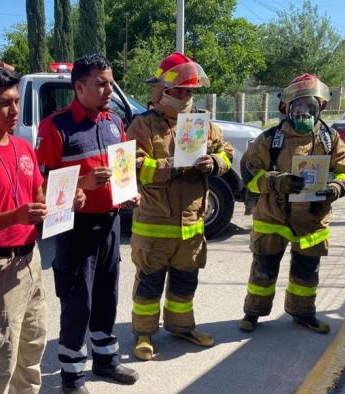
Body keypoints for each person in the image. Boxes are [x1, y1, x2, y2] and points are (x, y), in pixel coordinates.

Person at [0, 65, 84, 394]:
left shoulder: (23, 148)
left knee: (32, 348)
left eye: (16, 101)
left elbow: (38, 199)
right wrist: (14, 218)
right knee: (0, 358)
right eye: (4, 103)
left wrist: (67, 201)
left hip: (30, 261)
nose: (14, 110)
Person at [37, 54, 140, 394]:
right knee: (77, 300)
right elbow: (42, 184)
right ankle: (72, 377)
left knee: (107, 294)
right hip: (74, 228)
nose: (108, 89)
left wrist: (127, 192)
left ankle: (106, 359)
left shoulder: (113, 123)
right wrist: (81, 184)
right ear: (79, 86)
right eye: (101, 83)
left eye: (110, 83)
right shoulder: (56, 126)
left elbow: (120, 171)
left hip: (110, 224)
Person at [125, 53, 234, 361]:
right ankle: (144, 334)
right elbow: (132, 167)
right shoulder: (142, 125)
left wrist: (214, 162)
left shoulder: (202, 125)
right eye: (179, 91)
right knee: (149, 285)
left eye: (190, 91)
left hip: (191, 226)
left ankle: (181, 327)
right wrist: (172, 165)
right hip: (154, 225)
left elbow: (225, 153)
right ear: (161, 91)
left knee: (186, 283)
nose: (186, 97)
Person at [238, 73, 345, 334]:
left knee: (306, 274)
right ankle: (253, 313)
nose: (304, 113)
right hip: (273, 218)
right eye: (299, 107)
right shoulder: (270, 139)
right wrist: (275, 182)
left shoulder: (330, 139)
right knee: (263, 271)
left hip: (312, 221)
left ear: (319, 108)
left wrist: (335, 188)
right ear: (288, 109)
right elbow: (249, 174)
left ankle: (303, 314)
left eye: (310, 107)